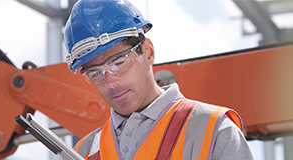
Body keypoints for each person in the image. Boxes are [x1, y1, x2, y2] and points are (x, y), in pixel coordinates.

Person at [63, 0, 255, 159]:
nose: (111, 83)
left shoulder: (212, 131)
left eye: (118, 63)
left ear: (148, 51)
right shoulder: (85, 152)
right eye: (96, 73)